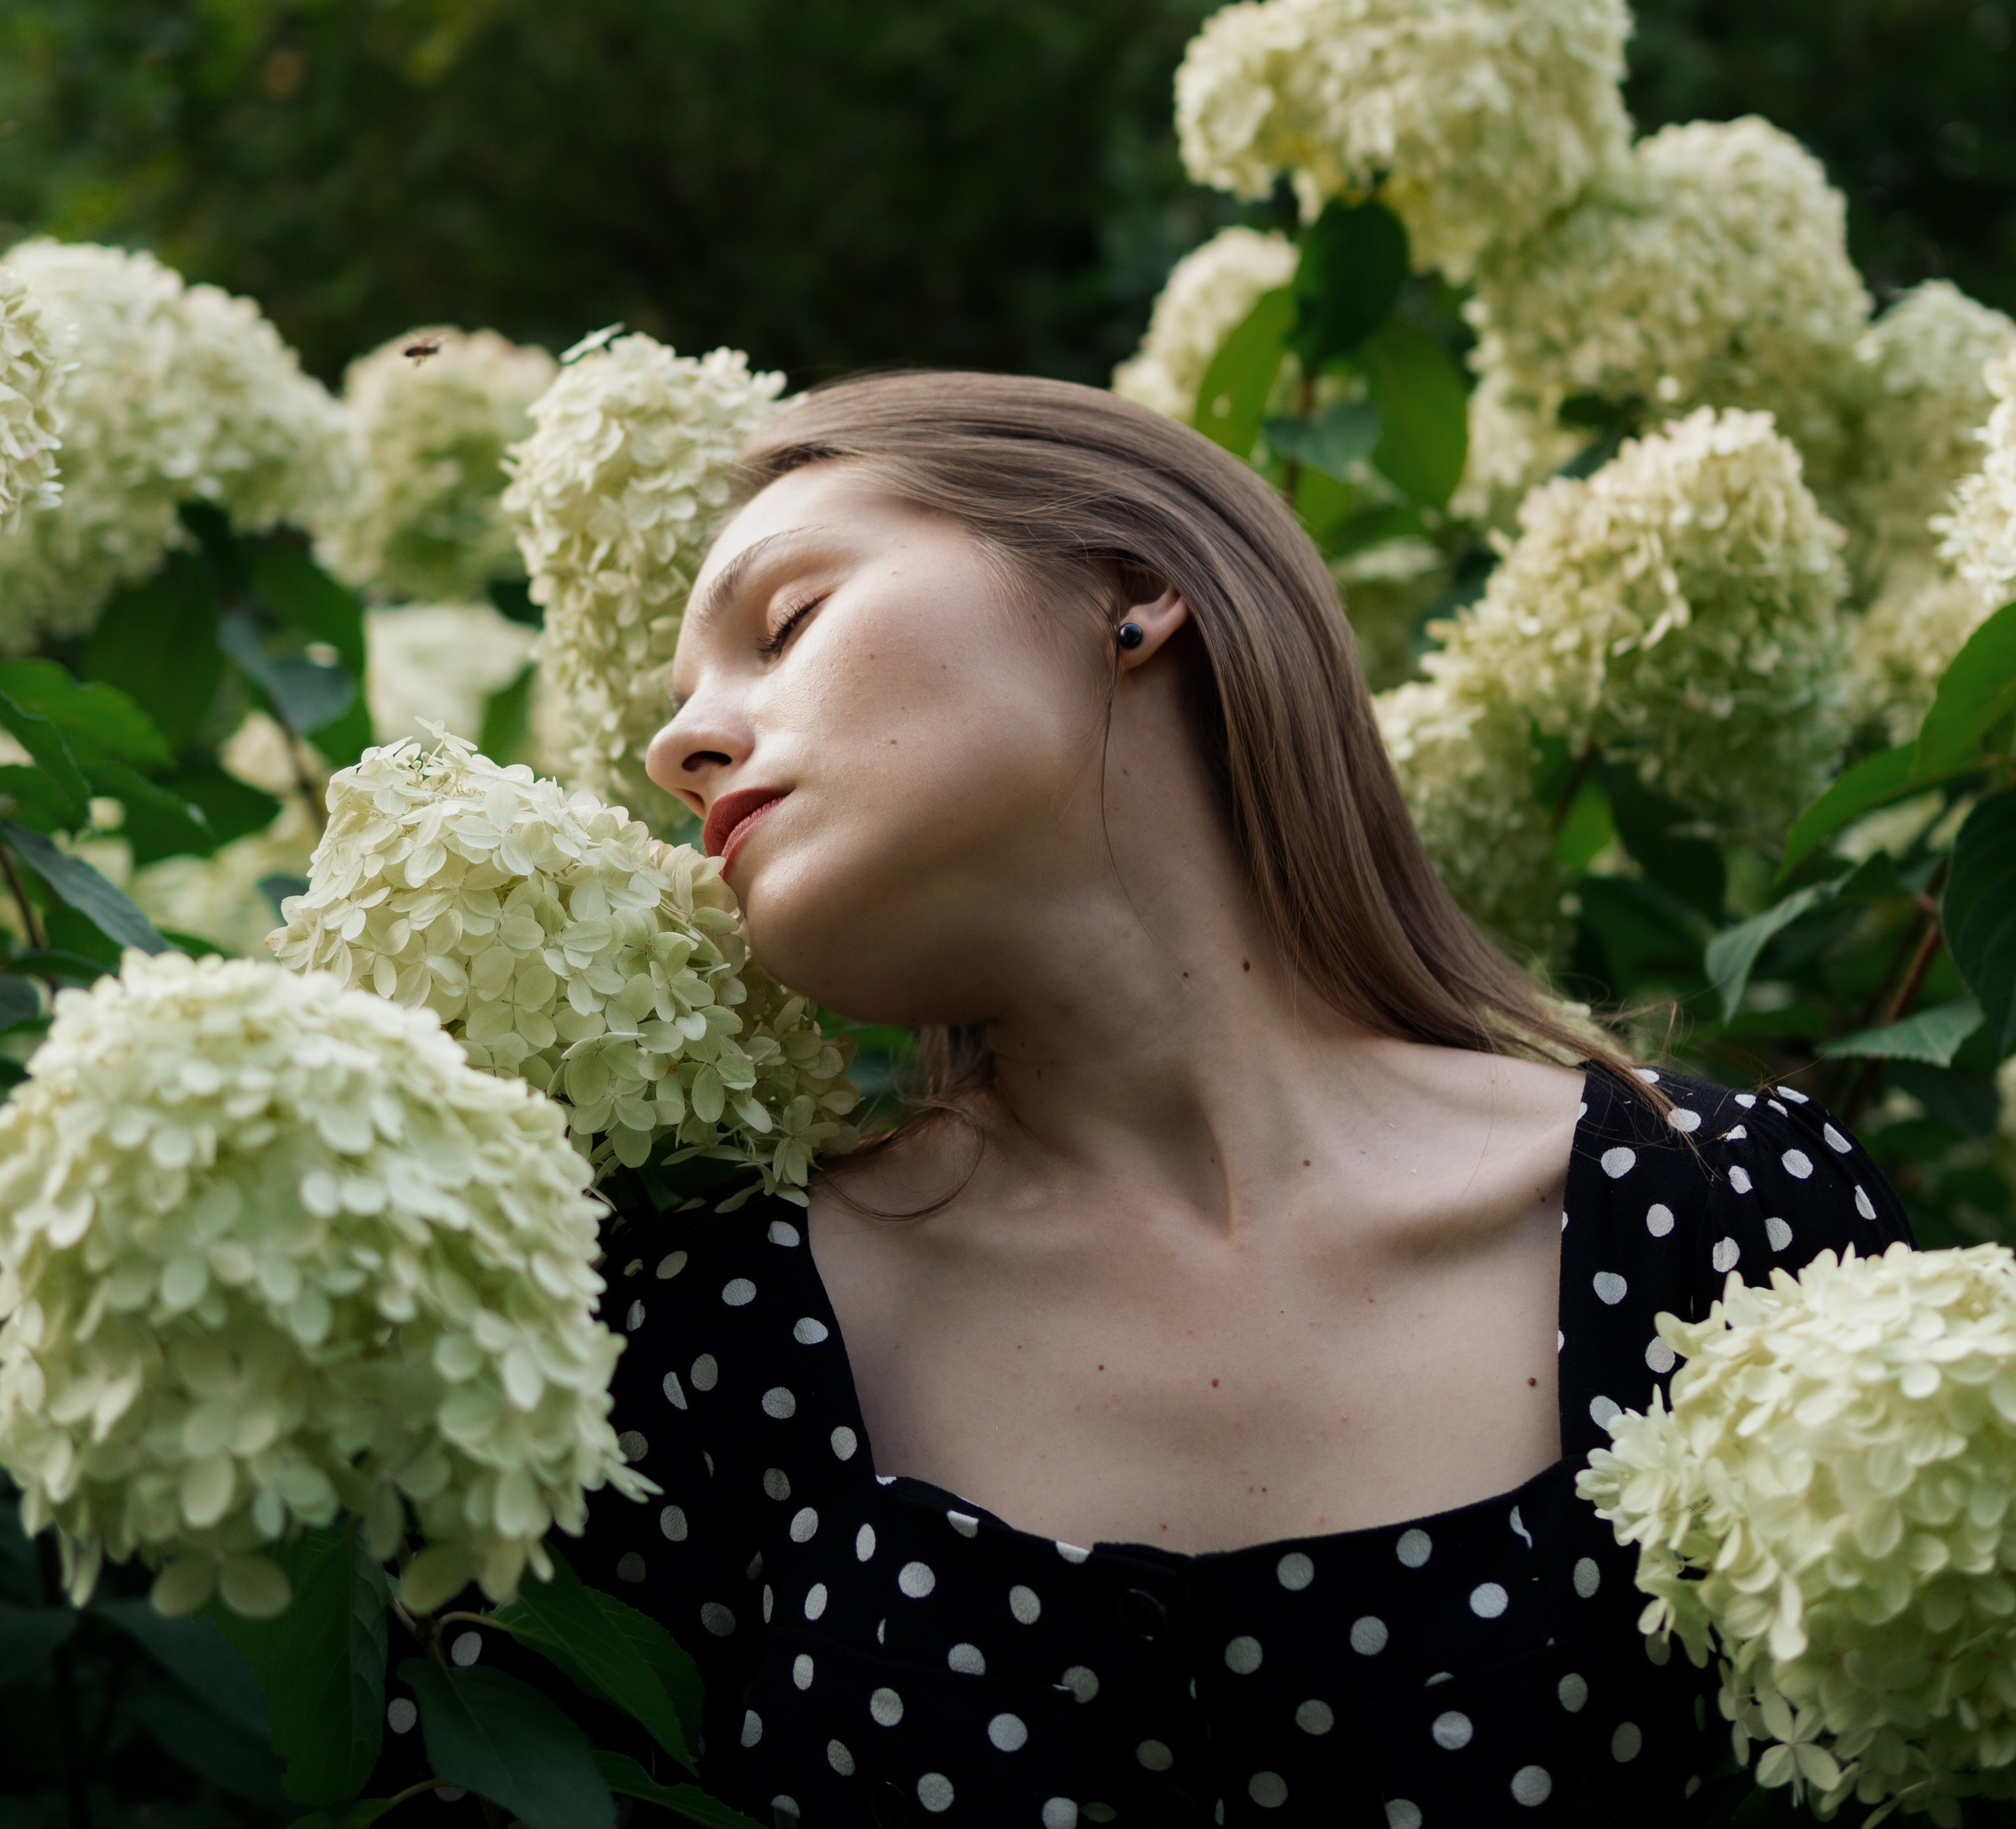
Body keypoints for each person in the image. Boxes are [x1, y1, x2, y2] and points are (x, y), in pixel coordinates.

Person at [582, 372, 1908, 1828]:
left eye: (784, 623)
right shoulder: (703, 1331)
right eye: (681, 704)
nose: (680, 744)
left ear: (1134, 592)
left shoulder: (1722, 1219)